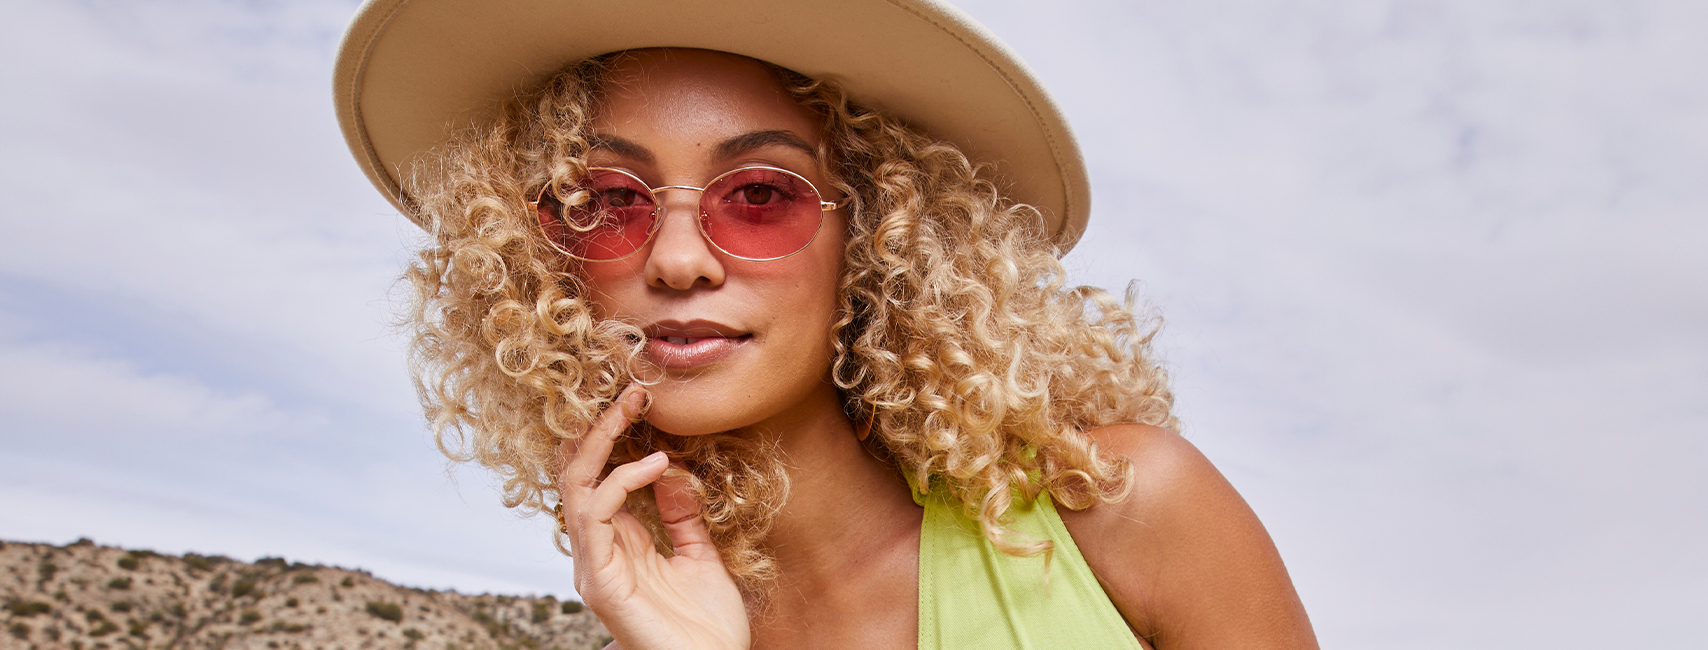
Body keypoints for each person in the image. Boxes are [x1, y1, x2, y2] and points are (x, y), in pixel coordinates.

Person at [334, 1, 1318, 648]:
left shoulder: (1121, 510)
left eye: (759, 195)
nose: (676, 259)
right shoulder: (666, 625)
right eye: (605, 201)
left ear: (879, 237)